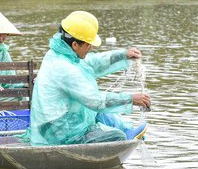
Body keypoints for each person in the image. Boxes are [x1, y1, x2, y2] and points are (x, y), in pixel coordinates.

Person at [29, 10, 151, 146]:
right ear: (75, 44)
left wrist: (123, 55)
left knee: (105, 116)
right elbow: (95, 100)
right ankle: (124, 135)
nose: (91, 47)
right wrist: (130, 99)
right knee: (117, 136)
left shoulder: (60, 53)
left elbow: (92, 63)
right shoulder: (64, 68)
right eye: (88, 44)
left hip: (62, 118)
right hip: (56, 131)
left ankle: (128, 132)